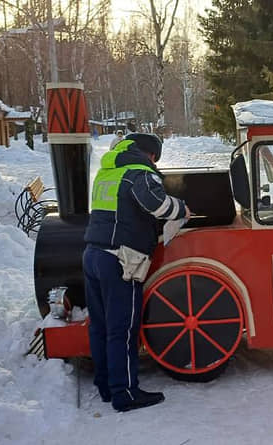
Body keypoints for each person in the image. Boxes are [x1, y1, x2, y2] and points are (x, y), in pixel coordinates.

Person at [82, 133, 188, 412]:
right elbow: (158, 206)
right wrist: (184, 208)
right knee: (124, 329)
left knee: (101, 326)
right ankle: (125, 393)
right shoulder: (139, 173)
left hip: (93, 254)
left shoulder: (108, 172)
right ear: (151, 155)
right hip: (122, 259)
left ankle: (106, 385)